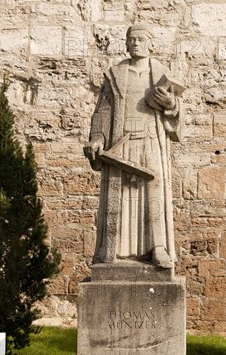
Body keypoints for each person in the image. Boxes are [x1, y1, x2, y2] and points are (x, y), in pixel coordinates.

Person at [84, 24, 183, 268]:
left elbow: (176, 112)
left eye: (140, 39)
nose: (136, 43)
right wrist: (97, 138)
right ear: (126, 44)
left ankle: (157, 247)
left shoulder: (161, 73)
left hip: (151, 143)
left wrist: (171, 104)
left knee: (154, 192)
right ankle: (111, 249)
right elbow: (103, 111)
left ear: (151, 44)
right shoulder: (115, 74)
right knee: (121, 194)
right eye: (131, 39)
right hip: (121, 142)